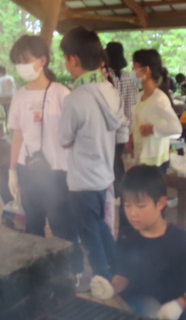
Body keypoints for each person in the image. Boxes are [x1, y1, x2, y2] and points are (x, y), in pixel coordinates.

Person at [90, 165, 186, 320]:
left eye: (140, 206)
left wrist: (181, 303)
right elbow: (123, 274)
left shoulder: (183, 241)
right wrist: (111, 289)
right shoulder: (127, 238)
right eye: (127, 205)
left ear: (161, 203)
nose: (132, 213)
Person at [7, 34, 83, 275]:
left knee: (64, 227)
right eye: (17, 61)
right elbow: (17, 135)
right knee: (32, 227)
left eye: (25, 59)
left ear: (42, 61)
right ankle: (38, 274)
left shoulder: (62, 93)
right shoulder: (18, 96)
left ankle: (74, 272)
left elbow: (75, 134)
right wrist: (11, 170)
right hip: (28, 169)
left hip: (58, 171)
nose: (21, 65)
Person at [58, 26, 128, 281]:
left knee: (89, 234)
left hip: (82, 182)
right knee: (100, 226)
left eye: (65, 58)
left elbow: (64, 139)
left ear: (73, 59)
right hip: (104, 177)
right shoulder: (110, 91)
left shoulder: (75, 99)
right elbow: (122, 132)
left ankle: (102, 279)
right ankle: (116, 270)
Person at [129, 49, 182, 175]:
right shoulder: (140, 96)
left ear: (145, 70)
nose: (132, 70)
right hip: (141, 157)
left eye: (135, 66)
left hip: (155, 162)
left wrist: (153, 129)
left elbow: (177, 129)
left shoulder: (159, 99)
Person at [105, 41, 137, 196]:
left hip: (107, 128)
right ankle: (120, 191)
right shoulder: (128, 78)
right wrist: (129, 132)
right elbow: (131, 106)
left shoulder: (104, 77)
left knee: (109, 161)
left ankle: (112, 192)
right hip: (122, 128)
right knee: (118, 159)